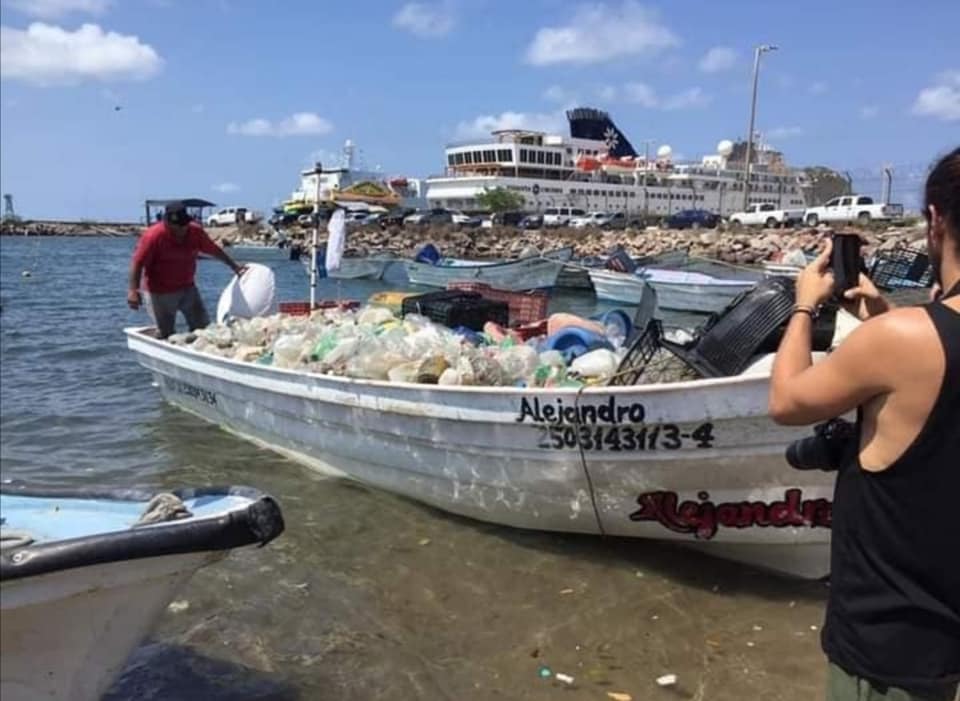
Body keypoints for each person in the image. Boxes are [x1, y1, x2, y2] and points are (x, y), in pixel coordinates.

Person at [769, 147, 959, 701]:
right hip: (947, 635)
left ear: (935, 221)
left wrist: (804, 306)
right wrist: (885, 317)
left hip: (886, 641)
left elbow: (787, 401)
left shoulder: (901, 340)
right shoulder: (904, 335)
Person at [128, 200, 247, 338]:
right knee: (167, 334)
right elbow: (137, 263)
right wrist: (133, 291)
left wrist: (234, 266)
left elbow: (214, 250)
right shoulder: (153, 236)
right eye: (176, 226)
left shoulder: (195, 231)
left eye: (183, 225)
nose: (181, 229)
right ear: (167, 223)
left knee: (204, 329)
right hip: (159, 293)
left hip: (187, 288)